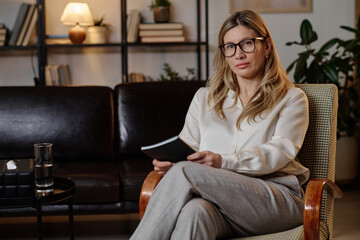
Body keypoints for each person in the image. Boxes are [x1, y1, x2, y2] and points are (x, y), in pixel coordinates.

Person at [130, 10, 309, 240]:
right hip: (218, 202)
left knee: (185, 172)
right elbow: (188, 148)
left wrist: (222, 162)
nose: (239, 54)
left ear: (267, 47)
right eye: (230, 47)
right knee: (195, 212)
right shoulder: (204, 98)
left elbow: (279, 152)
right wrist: (171, 164)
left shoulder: (291, 98)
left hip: (276, 199)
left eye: (247, 43)